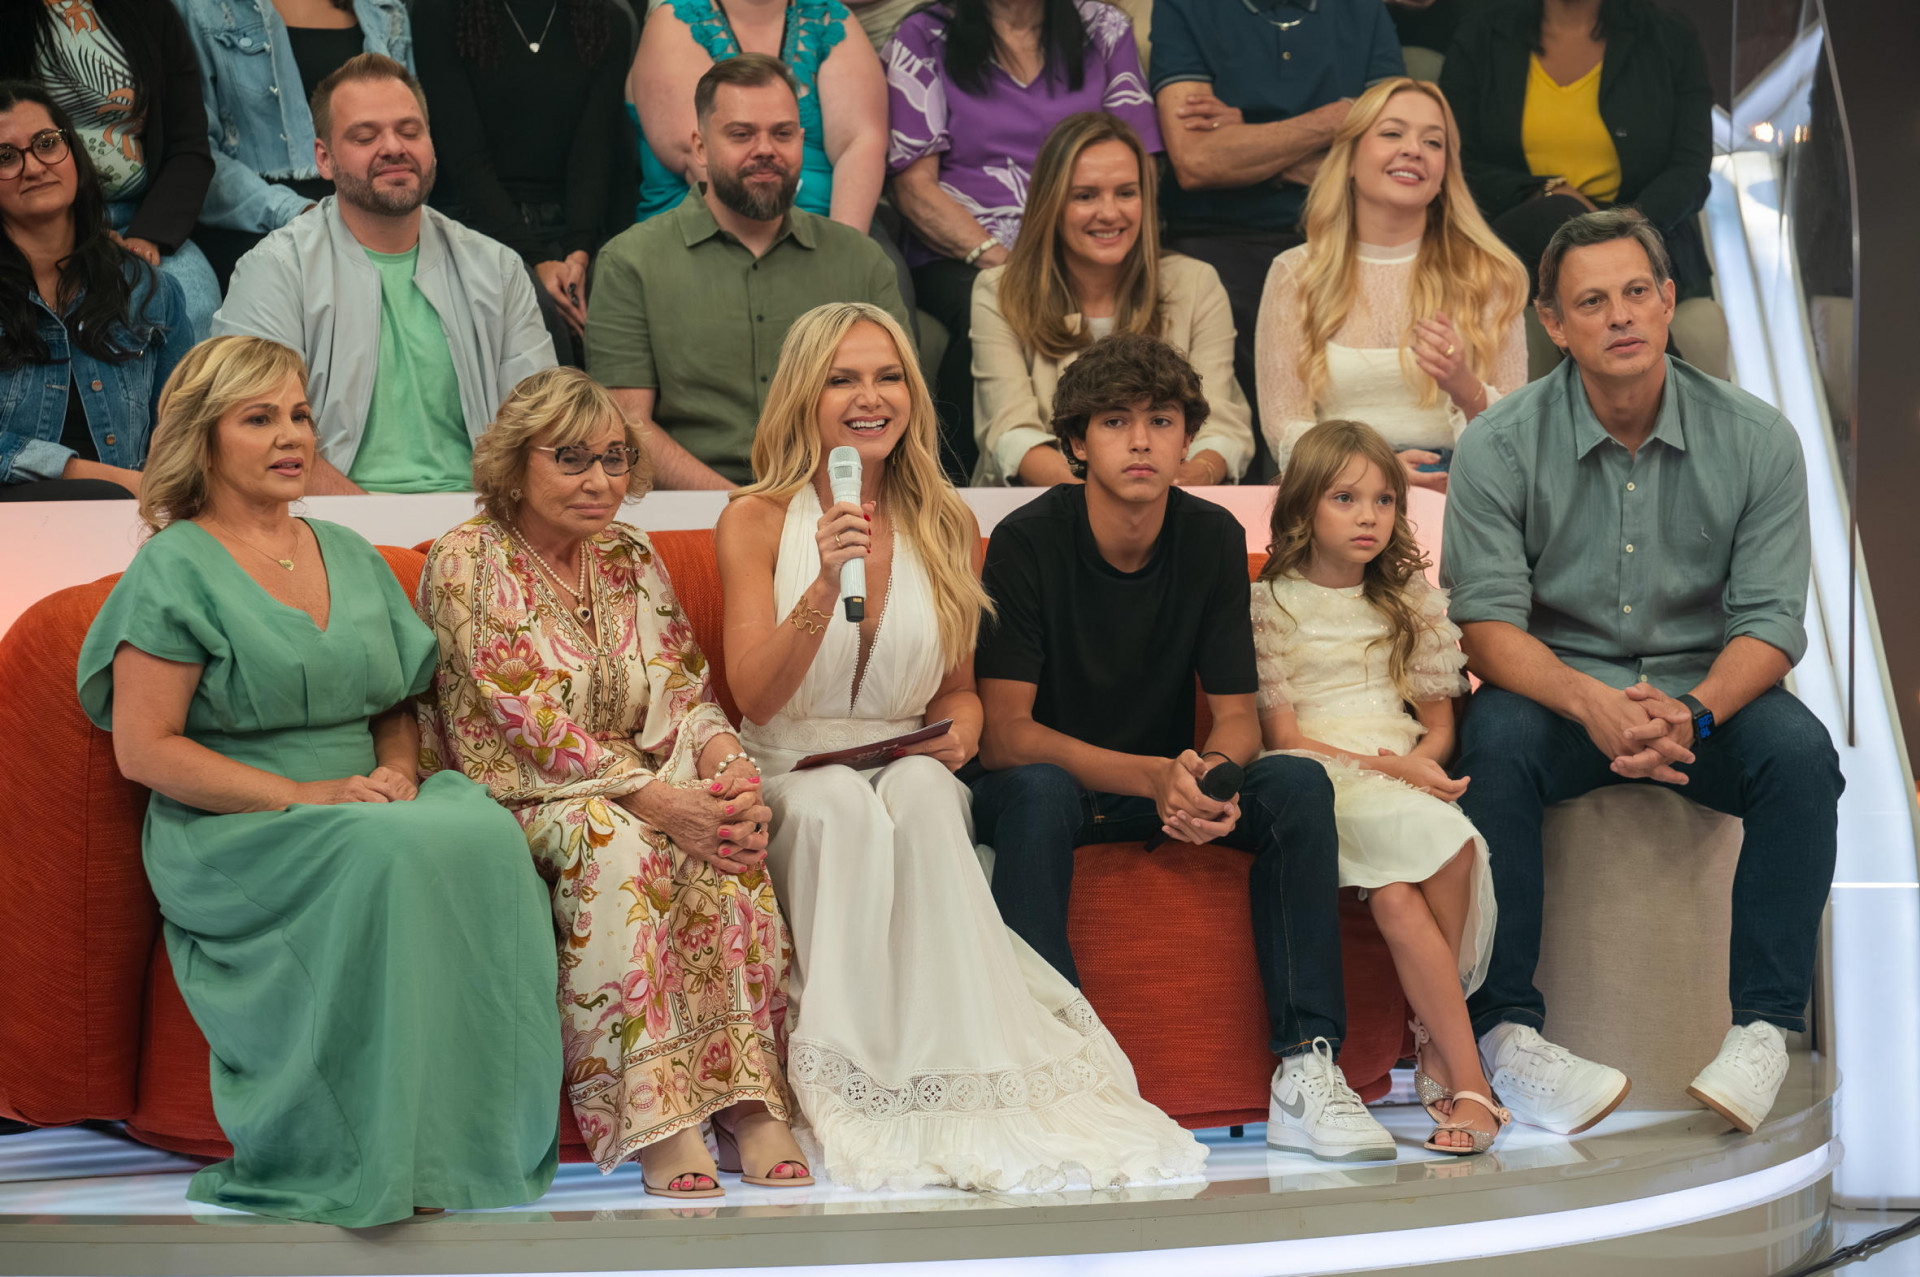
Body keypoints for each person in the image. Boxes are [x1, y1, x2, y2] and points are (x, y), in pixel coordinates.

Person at [715, 302, 1208, 1189]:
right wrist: (826, 583)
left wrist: (965, 729)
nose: (871, 396)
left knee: (933, 798)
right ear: (805, 396)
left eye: (889, 375)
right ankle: (854, 1071)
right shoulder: (754, 519)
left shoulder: (945, 519)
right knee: (836, 809)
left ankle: (957, 1063)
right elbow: (752, 693)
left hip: (904, 759)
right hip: (792, 767)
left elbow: (957, 690)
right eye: (844, 378)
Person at [74, 335, 562, 1226]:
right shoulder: (172, 566)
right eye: (259, 418)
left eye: (298, 414)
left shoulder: (347, 548)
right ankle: (361, 1151)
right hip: (235, 822)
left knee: (484, 833)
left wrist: (396, 770)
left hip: (365, 796)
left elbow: (395, 701)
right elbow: (146, 749)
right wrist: (312, 796)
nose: (290, 435)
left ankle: (467, 1143)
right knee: (389, 855)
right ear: (204, 437)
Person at [1441, 208, 1843, 1137]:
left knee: (1801, 754)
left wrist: (1692, 715)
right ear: (1554, 323)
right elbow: (1485, 627)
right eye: (1591, 300)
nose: (1619, 315)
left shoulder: (1758, 437)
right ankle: (1507, 1029)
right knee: (1491, 741)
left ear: (1668, 302)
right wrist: (1591, 703)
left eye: (1635, 293)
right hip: (1559, 696)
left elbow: (1773, 625)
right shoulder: (1499, 443)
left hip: (1705, 700)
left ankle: (1763, 1028)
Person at [969, 332, 1396, 1163]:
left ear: (1186, 436)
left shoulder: (1207, 536)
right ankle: (1061, 1069)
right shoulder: (1026, 541)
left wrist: (1213, 779)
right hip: (1063, 786)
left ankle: (1308, 1067)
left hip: (1170, 786)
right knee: (1035, 792)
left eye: (1161, 420)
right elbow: (1008, 734)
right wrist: (1156, 775)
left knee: (1298, 783)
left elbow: (1235, 713)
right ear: (1075, 442)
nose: (1139, 440)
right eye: (1115, 421)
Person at [416, 366, 806, 1200]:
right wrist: (662, 800)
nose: (601, 481)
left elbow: (684, 688)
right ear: (515, 464)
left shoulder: (628, 555)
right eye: (572, 459)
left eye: (615, 458)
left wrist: (726, 772)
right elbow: (529, 723)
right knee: (620, 840)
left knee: (724, 837)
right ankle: (659, 1117)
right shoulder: (467, 558)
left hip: (632, 775)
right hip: (514, 789)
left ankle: (743, 1095)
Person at [1253, 418, 1505, 1155]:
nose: (1369, 516)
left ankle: (1433, 1043)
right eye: (1344, 498)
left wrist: (1419, 762)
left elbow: (1439, 727)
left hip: (1401, 771)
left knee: (1407, 886)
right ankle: (1470, 1080)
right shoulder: (1271, 603)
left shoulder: (1410, 601)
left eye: (1384, 500)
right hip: (1325, 778)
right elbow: (1285, 739)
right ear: (1302, 508)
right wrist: (1401, 771)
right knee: (1451, 842)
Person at [213, 53, 557, 495]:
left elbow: (544, 428)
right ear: (324, 158)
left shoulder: (499, 269)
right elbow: (251, 437)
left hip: (479, 528)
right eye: (365, 136)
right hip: (328, 526)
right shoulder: (276, 270)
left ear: (430, 144)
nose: (394, 147)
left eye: (409, 131)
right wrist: (370, 526)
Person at [586, 54, 908, 491]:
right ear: (700, 147)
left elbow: (899, 409)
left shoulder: (860, 259)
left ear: (801, 139)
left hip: (841, 503)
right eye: (741, 134)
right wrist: (745, 511)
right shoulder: (630, 261)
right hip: (692, 514)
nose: (765, 150)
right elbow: (627, 425)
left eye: (782, 133)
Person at [884, 0, 1160, 483]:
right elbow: (914, 187)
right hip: (966, 250)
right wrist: (1010, 263)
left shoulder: (1103, 29)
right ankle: (950, 491)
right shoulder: (925, 36)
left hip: (1088, 235)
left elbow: (1141, 161)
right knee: (988, 305)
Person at [1149, 0, 1404, 479]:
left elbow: (1390, 155)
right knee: (1218, 305)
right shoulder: (1185, 7)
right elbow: (1196, 161)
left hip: (1340, 230)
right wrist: (1337, 118)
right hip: (1219, 235)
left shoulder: (1363, 11)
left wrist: (1246, 140)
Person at [1255, 77, 1527, 485]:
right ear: (1348, 158)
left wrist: (1463, 386)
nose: (1414, 150)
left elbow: (1518, 436)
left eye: (1433, 143)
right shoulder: (1295, 273)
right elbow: (1283, 427)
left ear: (1444, 173)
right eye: (1392, 133)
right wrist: (1371, 471)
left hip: (1462, 487)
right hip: (1336, 486)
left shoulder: (1491, 274)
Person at [971, 111, 1251, 488]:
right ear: (1051, 204)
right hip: (1044, 504)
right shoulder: (999, 290)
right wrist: (1106, 501)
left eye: (1126, 193)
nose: (1109, 213)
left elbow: (1223, 430)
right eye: (1085, 196)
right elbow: (1010, 434)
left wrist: (1183, 481)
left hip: (1172, 501)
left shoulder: (1196, 284)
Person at [1438, 0, 1714, 300]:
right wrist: (1546, 191)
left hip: (1640, 229)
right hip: (1519, 230)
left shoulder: (1668, 36)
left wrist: (1625, 227)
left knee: (1600, 256)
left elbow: (1691, 167)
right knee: (1562, 215)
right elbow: (1455, 160)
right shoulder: (1481, 34)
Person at [413, 0, 633, 364]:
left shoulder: (607, 19)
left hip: (575, 228)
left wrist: (578, 253)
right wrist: (537, 260)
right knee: (538, 316)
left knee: (612, 310)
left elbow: (593, 149)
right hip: (475, 224)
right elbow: (464, 158)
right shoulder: (440, 14)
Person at [1, 83, 192, 501]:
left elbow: (184, 429)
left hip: (129, 525)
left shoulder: (150, 291)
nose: (33, 167)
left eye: (47, 144)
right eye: (6, 157)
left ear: (74, 152)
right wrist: (76, 471)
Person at [1, 0, 220, 341]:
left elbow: (188, 143)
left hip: (144, 217)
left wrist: (148, 235)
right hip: (36, 226)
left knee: (194, 303)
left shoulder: (148, 9)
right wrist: (83, 233)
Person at [178, 0, 414, 288]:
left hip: (374, 211)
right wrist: (302, 213)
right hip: (256, 223)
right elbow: (195, 155)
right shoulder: (201, 8)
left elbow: (412, 129)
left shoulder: (384, 8)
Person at [628, 0, 886, 232]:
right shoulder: (675, 21)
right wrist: (791, 255)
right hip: (707, 236)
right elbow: (701, 162)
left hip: (830, 229)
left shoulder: (831, 18)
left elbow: (860, 143)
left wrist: (846, 249)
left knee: (877, 274)